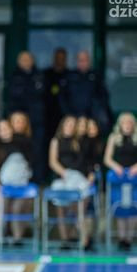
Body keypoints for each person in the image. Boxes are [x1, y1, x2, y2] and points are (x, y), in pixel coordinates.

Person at [49, 116, 94, 249]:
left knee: (79, 210)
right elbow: (53, 161)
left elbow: (87, 161)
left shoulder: (79, 142)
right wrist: (64, 173)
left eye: (73, 125)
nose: (70, 127)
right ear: (62, 125)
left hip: (78, 177)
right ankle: (65, 240)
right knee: (61, 209)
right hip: (62, 177)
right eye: (68, 124)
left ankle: (85, 240)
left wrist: (87, 174)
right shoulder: (56, 141)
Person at [0, 119, 33, 245]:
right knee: (1, 210)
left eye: (6, 128)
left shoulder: (22, 144)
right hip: (4, 186)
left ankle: (17, 238)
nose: (4, 132)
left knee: (17, 210)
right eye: (1, 130)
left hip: (21, 186)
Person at [7, 51, 46, 183]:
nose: (26, 62)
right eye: (23, 60)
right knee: (20, 150)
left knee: (37, 149)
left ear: (32, 61)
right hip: (19, 122)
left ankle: (38, 179)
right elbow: (13, 97)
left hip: (36, 119)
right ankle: (20, 178)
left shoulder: (39, 75)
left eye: (28, 59)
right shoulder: (14, 76)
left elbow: (41, 95)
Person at [104, 112, 137, 250]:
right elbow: (107, 158)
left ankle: (129, 238)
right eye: (124, 122)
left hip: (134, 177)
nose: (127, 125)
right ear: (120, 124)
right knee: (119, 206)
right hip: (118, 176)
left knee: (133, 206)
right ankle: (121, 238)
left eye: (130, 122)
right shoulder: (113, 137)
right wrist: (116, 167)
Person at [59, 51, 111, 133]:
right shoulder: (69, 76)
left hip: (92, 118)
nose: (83, 63)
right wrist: (68, 114)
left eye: (85, 60)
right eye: (80, 60)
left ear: (89, 61)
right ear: (77, 62)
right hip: (73, 118)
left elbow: (104, 96)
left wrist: (96, 112)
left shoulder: (96, 76)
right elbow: (62, 97)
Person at [43, 48, 68, 156]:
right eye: (58, 57)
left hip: (64, 115)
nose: (60, 60)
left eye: (62, 58)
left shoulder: (69, 75)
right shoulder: (46, 74)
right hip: (47, 116)